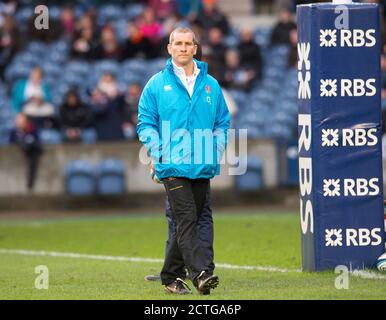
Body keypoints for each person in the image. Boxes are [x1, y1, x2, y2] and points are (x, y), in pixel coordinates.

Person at [137, 27, 230, 295]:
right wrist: (159, 149)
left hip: (202, 164)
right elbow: (145, 123)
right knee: (187, 216)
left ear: (195, 48)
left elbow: (222, 121)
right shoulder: (156, 84)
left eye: (188, 43)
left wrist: (216, 146)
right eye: (177, 43)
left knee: (192, 218)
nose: (183, 48)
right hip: (171, 166)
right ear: (169, 48)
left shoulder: (211, 84)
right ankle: (200, 274)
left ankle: (170, 276)